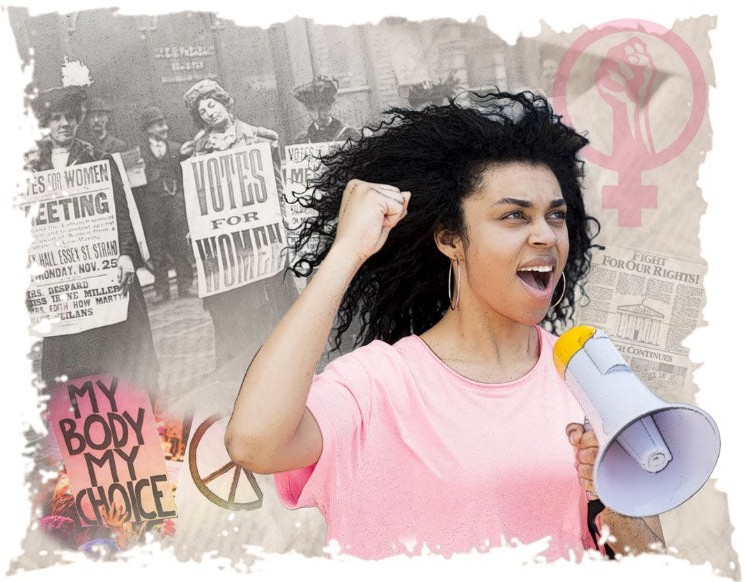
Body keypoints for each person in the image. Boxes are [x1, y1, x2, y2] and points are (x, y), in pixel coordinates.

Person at [224, 91, 666, 561]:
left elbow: (653, 560)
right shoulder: (376, 384)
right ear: (451, 239)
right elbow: (254, 443)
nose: (546, 235)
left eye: (555, 216)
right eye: (514, 215)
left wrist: (618, 495)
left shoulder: (588, 376)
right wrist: (348, 251)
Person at [27, 85, 159, 395]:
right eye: (56, 118)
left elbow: (121, 213)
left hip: (102, 279)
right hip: (61, 286)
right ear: (45, 123)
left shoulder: (97, 159)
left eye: (70, 118)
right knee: (73, 362)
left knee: (113, 356)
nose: (64, 125)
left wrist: (127, 255)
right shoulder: (30, 169)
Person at [179, 79, 298, 369]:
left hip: (262, 238)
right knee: (235, 313)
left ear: (224, 103)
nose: (208, 112)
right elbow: (196, 199)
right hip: (226, 249)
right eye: (201, 110)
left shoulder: (259, 139)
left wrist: (286, 220)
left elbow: (279, 186)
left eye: (212, 104)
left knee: (274, 303)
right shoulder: (195, 151)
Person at [133, 105, 194, 305]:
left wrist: (181, 199)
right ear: (149, 128)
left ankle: (185, 285)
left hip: (174, 202)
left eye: (164, 123)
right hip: (152, 206)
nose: (165, 128)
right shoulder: (138, 154)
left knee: (179, 244)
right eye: (160, 125)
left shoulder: (177, 149)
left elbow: (185, 177)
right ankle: (162, 291)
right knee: (156, 248)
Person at [292, 75, 361, 144]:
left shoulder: (350, 134)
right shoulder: (302, 140)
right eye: (312, 110)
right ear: (307, 110)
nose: (317, 116)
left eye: (322, 109)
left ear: (329, 107)